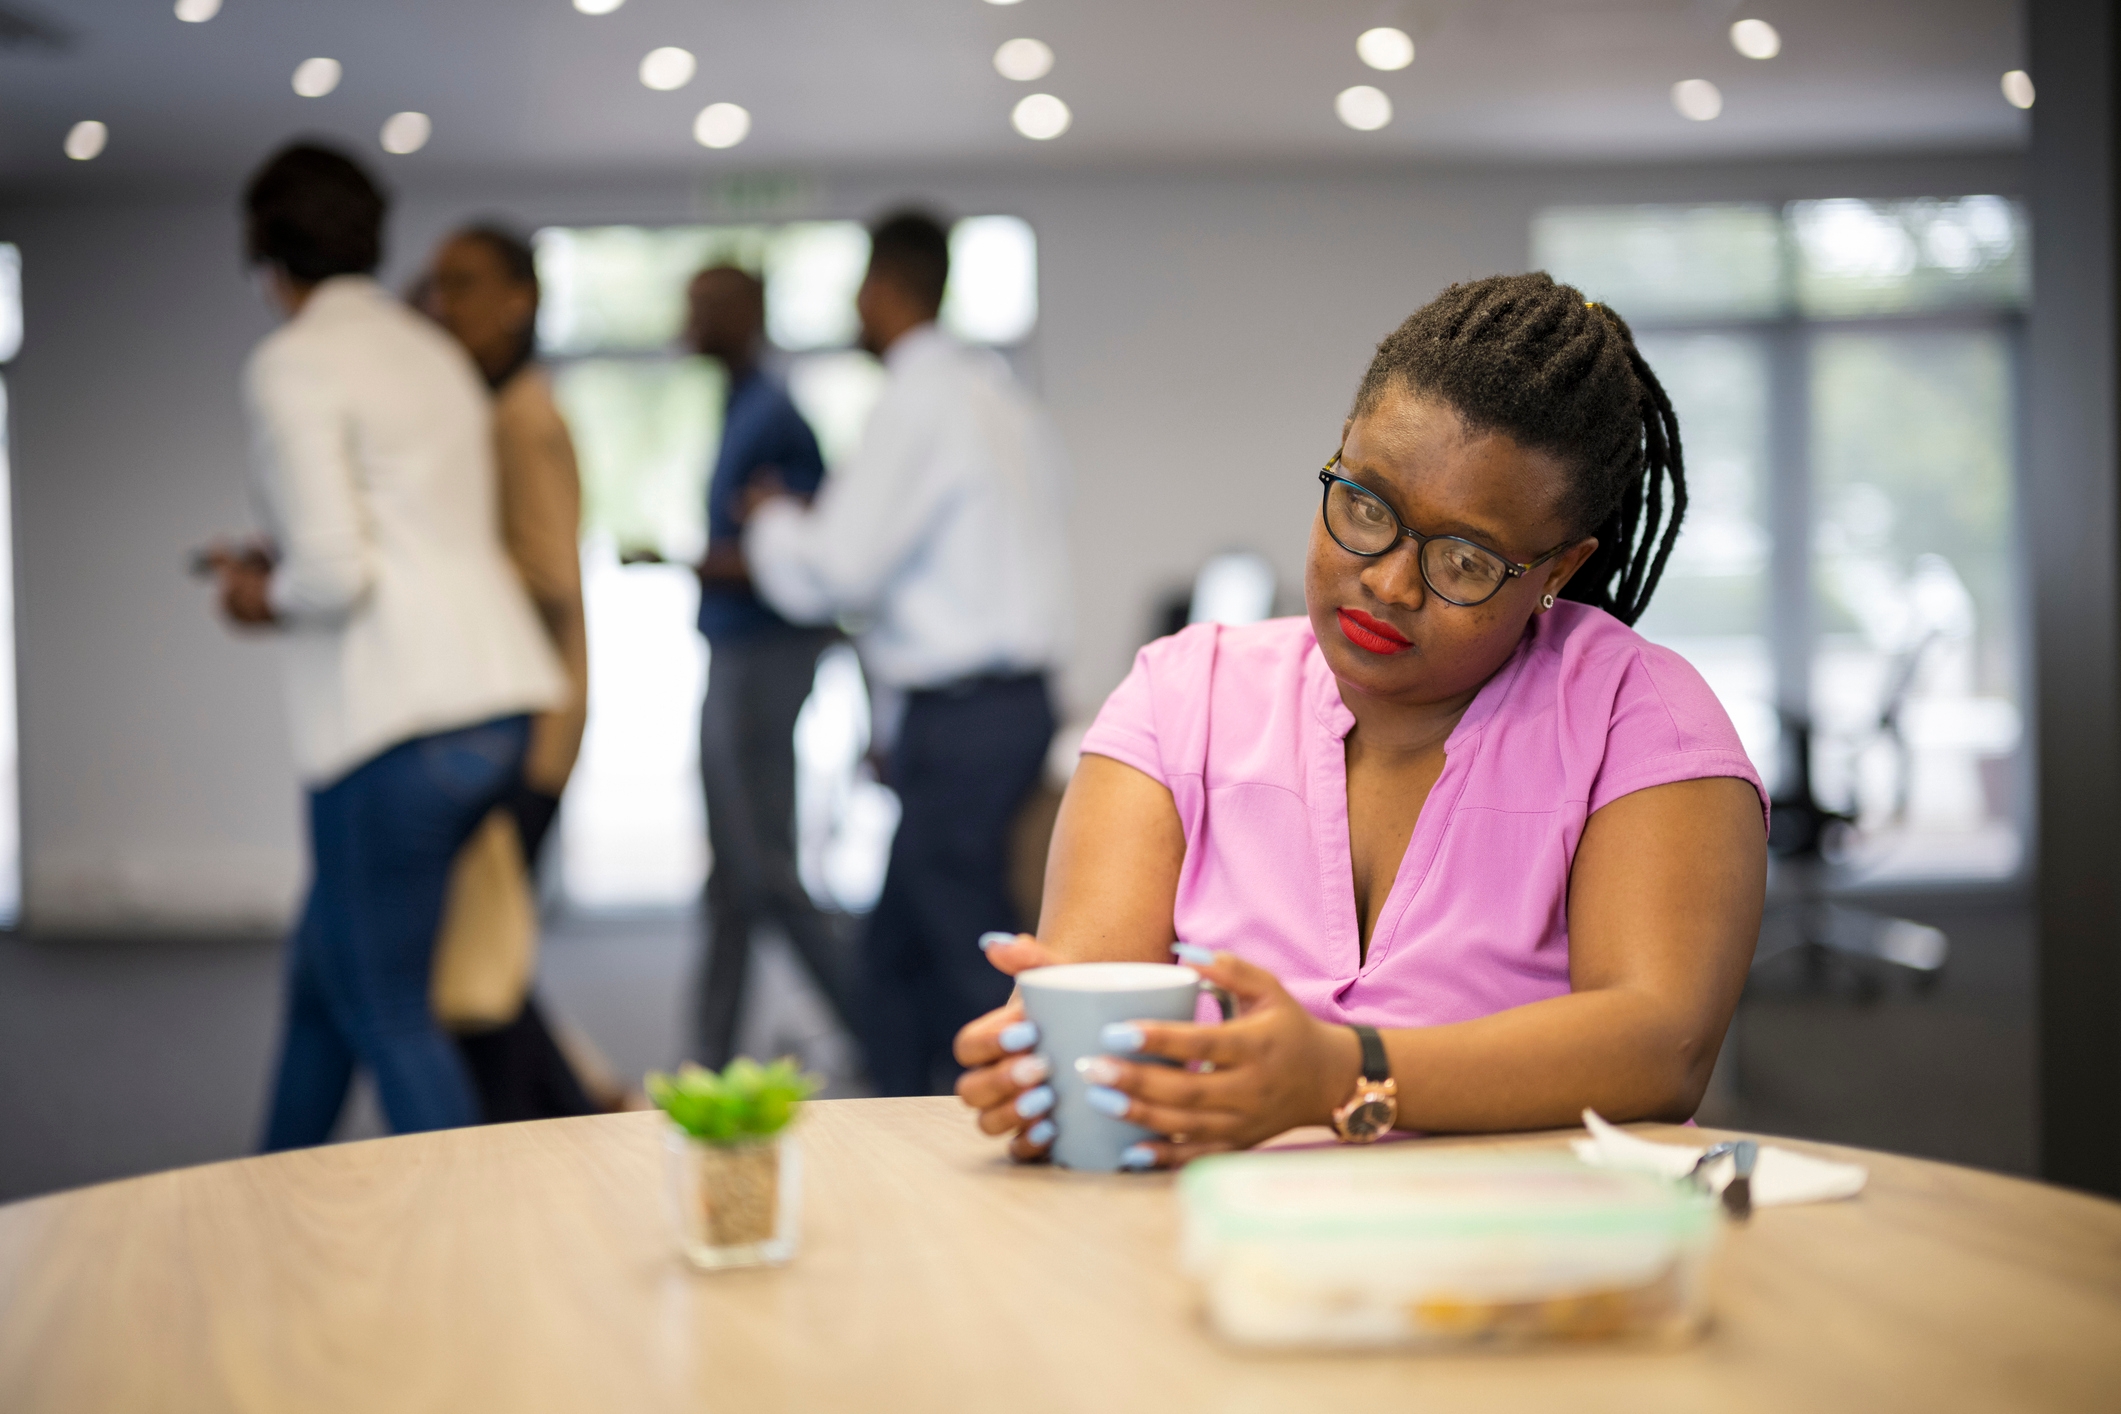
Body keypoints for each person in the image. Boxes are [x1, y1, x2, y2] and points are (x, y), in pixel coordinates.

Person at [954, 273, 1770, 1167]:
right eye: (1366, 507)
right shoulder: (1179, 695)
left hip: (1536, 1258)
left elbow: (1661, 1046)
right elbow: (1093, 1003)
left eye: (1463, 559)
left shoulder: (1639, 720)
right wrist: (1045, 1071)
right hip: (1208, 1250)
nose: (1388, 582)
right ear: (1340, 452)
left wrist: (1343, 1074)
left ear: (1558, 569)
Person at [216, 144, 567, 1149]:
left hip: (394, 723)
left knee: (387, 1007)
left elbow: (336, 570)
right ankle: (272, 1199)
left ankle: (476, 1249)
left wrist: (258, 592)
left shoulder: (291, 362)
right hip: (491, 702)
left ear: (266, 258)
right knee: (326, 981)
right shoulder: (431, 349)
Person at [741, 210, 1072, 1097]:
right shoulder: (996, 393)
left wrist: (771, 519)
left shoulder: (918, 398)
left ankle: (1033, 1106)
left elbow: (837, 572)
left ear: (883, 291)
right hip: (993, 701)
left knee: (959, 943)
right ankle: (904, 1117)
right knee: (895, 952)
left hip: (962, 712)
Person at [417, 223, 599, 1120]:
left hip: (526, 730)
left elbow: (550, 581)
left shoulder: (523, 418)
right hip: (514, 720)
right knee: (485, 957)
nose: (443, 305)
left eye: (462, 283)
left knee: (474, 966)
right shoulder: (491, 408)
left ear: (519, 299)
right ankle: (577, 1111)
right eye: (435, 286)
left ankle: (569, 1118)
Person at [683, 265, 855, 1069]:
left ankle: (878, 1026)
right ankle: (707, 1057)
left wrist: (711, 562)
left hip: (766, 656)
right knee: (732, 879)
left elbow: (803, 547)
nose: (686, 319)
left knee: (765, 874)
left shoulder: (775, 415)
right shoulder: (738, 405)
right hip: (734, 653)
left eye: (703, 305)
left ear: (746, 313)